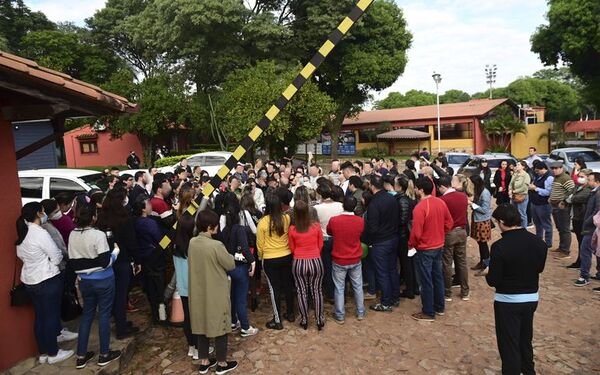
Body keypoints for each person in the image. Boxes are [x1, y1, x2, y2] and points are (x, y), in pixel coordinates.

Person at [486, 204, 547, 375]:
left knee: (509, 345)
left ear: (503, 222)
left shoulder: (499, 246)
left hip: (508, 301)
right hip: (531, 298)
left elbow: (493, 280)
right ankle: (529, 371)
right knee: (525, 340)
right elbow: (539, 268)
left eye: (498, 222)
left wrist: (488, 272)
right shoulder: (538, 243)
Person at [16, 202, 75, 365]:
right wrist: (51, 264)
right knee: (50, 317)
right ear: (38, 214)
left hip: (30, 281)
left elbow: (21, 255)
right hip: (47, 280)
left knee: (40, 318)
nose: (45, 214)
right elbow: (56, 256)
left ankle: (43, 353)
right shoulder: (39, 233)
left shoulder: (24, 232)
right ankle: (53, 353)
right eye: (42, 212)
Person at [68, 203, 121, 369]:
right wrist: (115, 253)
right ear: (93, 217)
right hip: (103, 280)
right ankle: (104, 354)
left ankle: (81, 356)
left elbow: (73, 261)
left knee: (87, 316)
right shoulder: (98, 235)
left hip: (85, 281)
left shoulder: (72, 235)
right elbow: (105, 262)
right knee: (104, 315)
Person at [188, 209, 238, 374]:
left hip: (198, 291)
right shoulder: (217, 245)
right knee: (220, 326)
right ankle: (222, 363)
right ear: (211, 226)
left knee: (201, 324)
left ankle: (204, 361)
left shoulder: (192, 243)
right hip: (216, 291)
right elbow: (230, 264)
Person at [96, 189, 141, 338]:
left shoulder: (101, 218)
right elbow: (131, 241)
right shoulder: (124, 218)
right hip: (122, 260)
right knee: (121, 294)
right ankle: (121, 328)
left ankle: (120, 321)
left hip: (107, 260)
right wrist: (137, 259)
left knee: (114, 294)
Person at [409, 177, 453, 321]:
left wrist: (412, 244)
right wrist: (440, 233)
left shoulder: (420, 207)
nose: (415, 190)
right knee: (437, 277)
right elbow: (449, 223)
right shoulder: (440, 202)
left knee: (426, 280)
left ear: (421, 190)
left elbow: (416, 232)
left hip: (425, 248)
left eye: (416, 188)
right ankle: (439, 306)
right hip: (438, 245)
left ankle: (428, 311)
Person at [219, 193, 259, 337]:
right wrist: (253, 262)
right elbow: (245, 249)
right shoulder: (240, 229)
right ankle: (245, 327)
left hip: (228, 268)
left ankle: (233, 321)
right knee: (241, 299)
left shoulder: (223, 231)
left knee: (232, 297)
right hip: (240, 268)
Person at [257, 194, 295, 330]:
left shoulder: (262, 222)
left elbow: (260, 244)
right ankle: (291, 313)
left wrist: (261, 258)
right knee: (288, 285)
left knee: (274, 289)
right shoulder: (286, 218)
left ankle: (277, 319)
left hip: (270, 258)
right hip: (286, 255)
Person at [170, 188, 199, 360]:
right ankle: (198, 348)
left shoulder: (176, 248)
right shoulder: (192, 248)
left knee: (188, 318)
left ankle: (191, 346)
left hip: (183, 288)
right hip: (195, 286)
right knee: (197, 318)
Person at [364, 175, 400, 312]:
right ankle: (394, 298)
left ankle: (386, 302)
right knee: (392, 270)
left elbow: (372, 228)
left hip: (381, 242)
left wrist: (369, 242)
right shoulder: (391, 198)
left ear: (372, 186)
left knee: (383, 273)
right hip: (393, 238)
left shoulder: (374, 203)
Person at [327, 196, 365, 323]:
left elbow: (329, 231)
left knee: (339, 288)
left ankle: (340, 315)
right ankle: (360, 312)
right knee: (358, 286)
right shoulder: (360, 221)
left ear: (343, 205)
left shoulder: (334, 220)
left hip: (339, 258)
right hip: (355, 258)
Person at [288, 200, 325, 329]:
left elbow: (291, 248)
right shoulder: (316, 227)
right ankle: (319, 319)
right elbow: (321, 244)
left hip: (299, 261)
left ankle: (304, 319)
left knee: (301, 291)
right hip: (315, 260)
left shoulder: (292, 229)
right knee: (317, 291)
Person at [438, 176, 470, 301]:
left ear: (442, 187)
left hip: (449, 232)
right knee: (461, 262)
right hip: (462, 231)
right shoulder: (462, 196)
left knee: (447, 263)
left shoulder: (443, 199)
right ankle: (465, 291)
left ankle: (447, 292)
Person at [314, 183, 344, 301]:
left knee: (327, 267)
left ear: (320, 195)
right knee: (339, 267)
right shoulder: (340, 205)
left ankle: (331, 294)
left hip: (324, 240)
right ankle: (340, 292)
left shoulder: (317, 208)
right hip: (338, 239)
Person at [395, 174, 418, 299]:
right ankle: (413, 287)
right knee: (408, 262)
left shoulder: (403, 200)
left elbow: (403, 219)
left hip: (404, 235)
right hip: (407, 234)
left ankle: (411, 289)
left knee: (406, 263)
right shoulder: (409, 198)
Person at [575, 172, 600, 286]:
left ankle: (584, 276)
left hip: (593, 227)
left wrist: (587, 221)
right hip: (592, 226)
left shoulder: (598, 194)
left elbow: (596, 212)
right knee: (596, 251)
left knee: (585, 250)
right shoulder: (593, 192)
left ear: (597, 182)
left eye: (590, 180)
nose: (588, 182)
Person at [548, 161, 576, 259]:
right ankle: (561, 247)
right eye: (553, 169)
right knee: (560, 228)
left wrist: (564, 201)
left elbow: (572, 191)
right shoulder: (557, 178)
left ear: (561, 168)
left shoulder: (565, 178)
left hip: (562, 207)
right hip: (555, 206)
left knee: (565, 229)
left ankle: (565, 251)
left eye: (556, 168)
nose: (554, 170)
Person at [567, 168, 593, 269]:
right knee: (579, 241)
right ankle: (580, 261)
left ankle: (583, 263)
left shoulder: (588, 190)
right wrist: (570, 198)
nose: (579, 178)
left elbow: (574, 198)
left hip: (582, 218)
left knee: (584, 242)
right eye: (579, 176)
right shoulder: (578, 186)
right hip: (576, 216)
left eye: (582, 177)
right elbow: (569, 195)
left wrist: (571, 198)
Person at [469, 175, 493, 276]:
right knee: (480, 243)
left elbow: (484, 210)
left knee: (483, 244)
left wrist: (472, 204)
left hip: (482, 221)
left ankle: (486, 266)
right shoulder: (478, 191)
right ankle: (482, 263)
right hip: (477, 220)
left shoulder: (485, 193)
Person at [528, 161, 554, 248]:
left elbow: (547, 192)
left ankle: (548, 243)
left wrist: (535, 188)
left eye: (538, 171)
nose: (537, 173)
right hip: (535, 203)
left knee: (546, 224)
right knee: (537, 223)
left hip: (543, 205)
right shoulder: (539, 176)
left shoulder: (549, 177)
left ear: (543, 169)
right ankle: (539, 240)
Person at [509, 161, 531, 229]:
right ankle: (516, 228)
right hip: (513, 196)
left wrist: (514, 191)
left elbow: (524, 187)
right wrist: (509, 190)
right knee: (514, 213)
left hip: (522, 196)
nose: (516, 166)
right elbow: (510, 183)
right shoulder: (515, 174)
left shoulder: (526, 175)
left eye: (518, 165)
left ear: (523, 167)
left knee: (522, 214)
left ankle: (524, 229)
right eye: (516, 165)